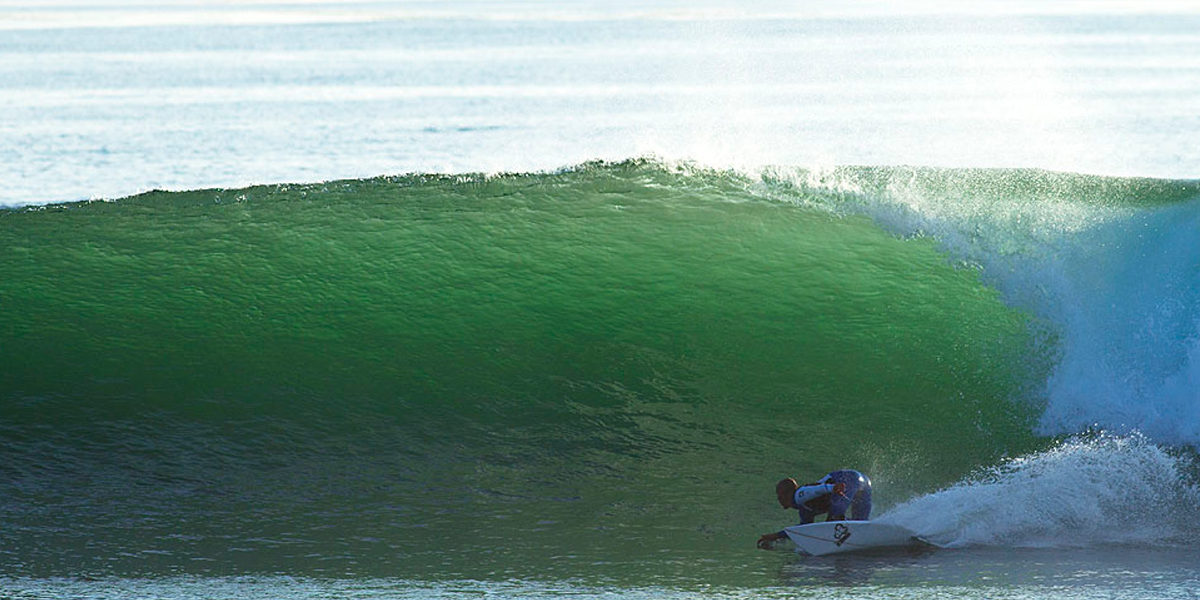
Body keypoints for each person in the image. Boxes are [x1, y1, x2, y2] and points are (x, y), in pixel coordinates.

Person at [756, 469, 873, 549]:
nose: (778, 499)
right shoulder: (804, 510)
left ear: (787, 494)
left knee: (833, 521)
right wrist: (776, 536)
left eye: (779, 495)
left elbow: (816, 490)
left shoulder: (799, 495)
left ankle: (845, 543)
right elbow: (804, 530)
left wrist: (833, 488)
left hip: (848, 480)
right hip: (864, 482)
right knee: (861, 524)